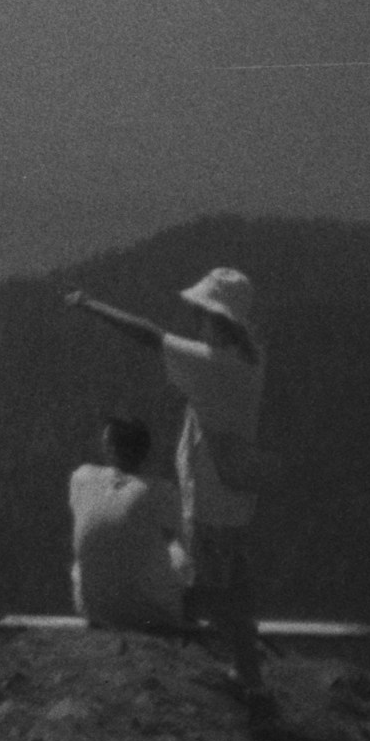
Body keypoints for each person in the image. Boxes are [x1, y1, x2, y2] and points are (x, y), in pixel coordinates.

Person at [61, 268, 271, 708]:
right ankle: (246, 665)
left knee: (216, 587)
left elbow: (148, 335)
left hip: (212, 492)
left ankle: (246, 678)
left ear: (215, 318)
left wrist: (90, 305)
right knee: (233, 577)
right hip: (239, 490)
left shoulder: (208, 364)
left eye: (201, 312)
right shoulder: (252, 358)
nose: (195, 319)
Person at [68, 415, 187, 630]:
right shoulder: (162, 492)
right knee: (179, 554)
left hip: (92, 609)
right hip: (152, 614)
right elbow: (174, 544)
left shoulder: (81, 478)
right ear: (146, 453)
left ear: (109, 448)